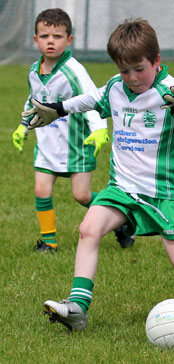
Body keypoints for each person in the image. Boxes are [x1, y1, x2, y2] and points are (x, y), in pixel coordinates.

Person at [24, 18, 174, 334]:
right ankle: (78, 308)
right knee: (88, 229)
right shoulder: (116, 87)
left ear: (157, 61)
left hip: (161, 193)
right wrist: (59, 108)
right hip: (121, 187)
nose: (131, 78)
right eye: (124, 70)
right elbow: (91, 98)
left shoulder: (169, 91)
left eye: (139, 69)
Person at [12, 8, 134, 251]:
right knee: (41, 189)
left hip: (76, 144)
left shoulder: (73, 70)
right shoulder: (33, 71)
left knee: (82, 196)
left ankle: (122, 218)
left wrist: (99, 129)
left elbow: (92, 100)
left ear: (69, 40)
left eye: (57, 36)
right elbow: (34, 100)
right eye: (44, 36)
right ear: (35, 40)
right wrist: (23, 125)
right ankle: (49, 242)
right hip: (47, 145)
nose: (50, 41)